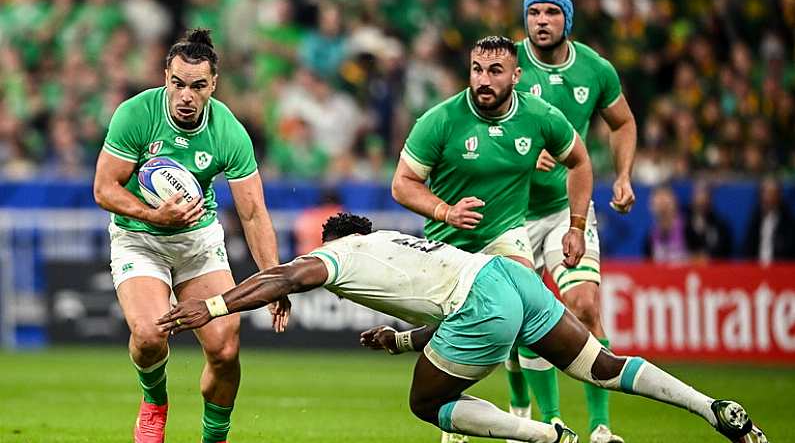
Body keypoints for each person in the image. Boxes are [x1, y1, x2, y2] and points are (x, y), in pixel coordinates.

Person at [157, 213, 768, 443]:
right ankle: (715, 409)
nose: (314, 261)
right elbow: (441, 313)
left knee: (426, 403)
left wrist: (210, 309)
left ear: (336, 241)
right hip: (507, 278)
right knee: (603, 367)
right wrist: (400, 340)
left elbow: (283, 279)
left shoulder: (340, 254)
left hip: (481, 302)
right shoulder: (396, 241)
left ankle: (547, 438)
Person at [391, 34, 593, 443]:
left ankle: (549, 418)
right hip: (447, 244)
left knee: (526, 308)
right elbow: (402, 184)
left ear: (516, 75)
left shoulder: (540, 116)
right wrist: (445, 211)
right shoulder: (441, 119)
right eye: (477, 70)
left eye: (495, 71)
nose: (483, 79)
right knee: (457, 338)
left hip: (504, 236)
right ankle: (459, 416)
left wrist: (575, 224)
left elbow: (581, 161)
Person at [93, 28, 288, 443]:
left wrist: (274, 279)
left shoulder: (228, 131)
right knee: (148, 336)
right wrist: (153, 215)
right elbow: (104, 188)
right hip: (139, 238)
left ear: (213, 84)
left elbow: (253, 212)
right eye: (177, 83)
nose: (186, 95)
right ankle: (154, 403)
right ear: (166, 75)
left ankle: (214, 437)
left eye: (198, 86)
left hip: (197, 244)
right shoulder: (136, 113)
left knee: (225, 348)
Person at [508, 0, 638, 441]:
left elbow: (621, 123)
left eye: (552, 12)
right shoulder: (506, 64)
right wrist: (521, 148)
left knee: (584, 306)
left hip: (567, 207)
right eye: (534, 13)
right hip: (511, 212)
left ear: (568, 19)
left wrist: (623, 176)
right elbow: (478, 125)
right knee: (521, 316)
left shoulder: (596, 70)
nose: (541, 22)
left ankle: (601, 427)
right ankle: (547, 422)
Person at [742, 177, 795, 264]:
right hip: (756, 269)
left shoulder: (788, 221)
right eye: (765, 193)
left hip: (780, 269)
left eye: (772, 193)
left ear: (779, 195)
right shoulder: (755, 218)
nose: (768, 198)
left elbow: (789, 251)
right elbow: (747, 249)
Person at [684, 181, 732, 261]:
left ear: (710, 199)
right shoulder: (685, 221)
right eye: (697, 196)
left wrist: (707, 257)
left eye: (704, 196)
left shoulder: (721, 223)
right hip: (689, 265)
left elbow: (724, 250)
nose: (701, 200)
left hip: (714, 267)